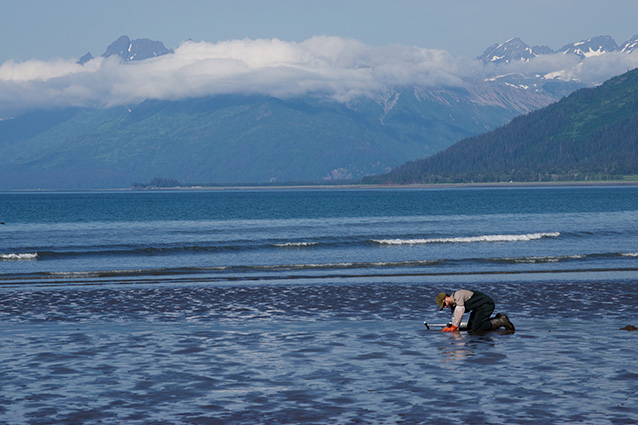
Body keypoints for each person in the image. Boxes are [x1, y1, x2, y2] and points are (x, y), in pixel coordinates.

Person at [435, 290, 515, 332]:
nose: (445, 307)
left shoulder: (457, 295)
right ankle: (496, 318)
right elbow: (455, 318)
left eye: (444, 304)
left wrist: (454, 327)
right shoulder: (453, 306)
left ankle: (501, 321)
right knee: (471, 327)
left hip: (486, 304)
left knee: (477, 328)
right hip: (478, 308)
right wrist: (454, 328)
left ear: (445, 298)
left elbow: (460, 311)